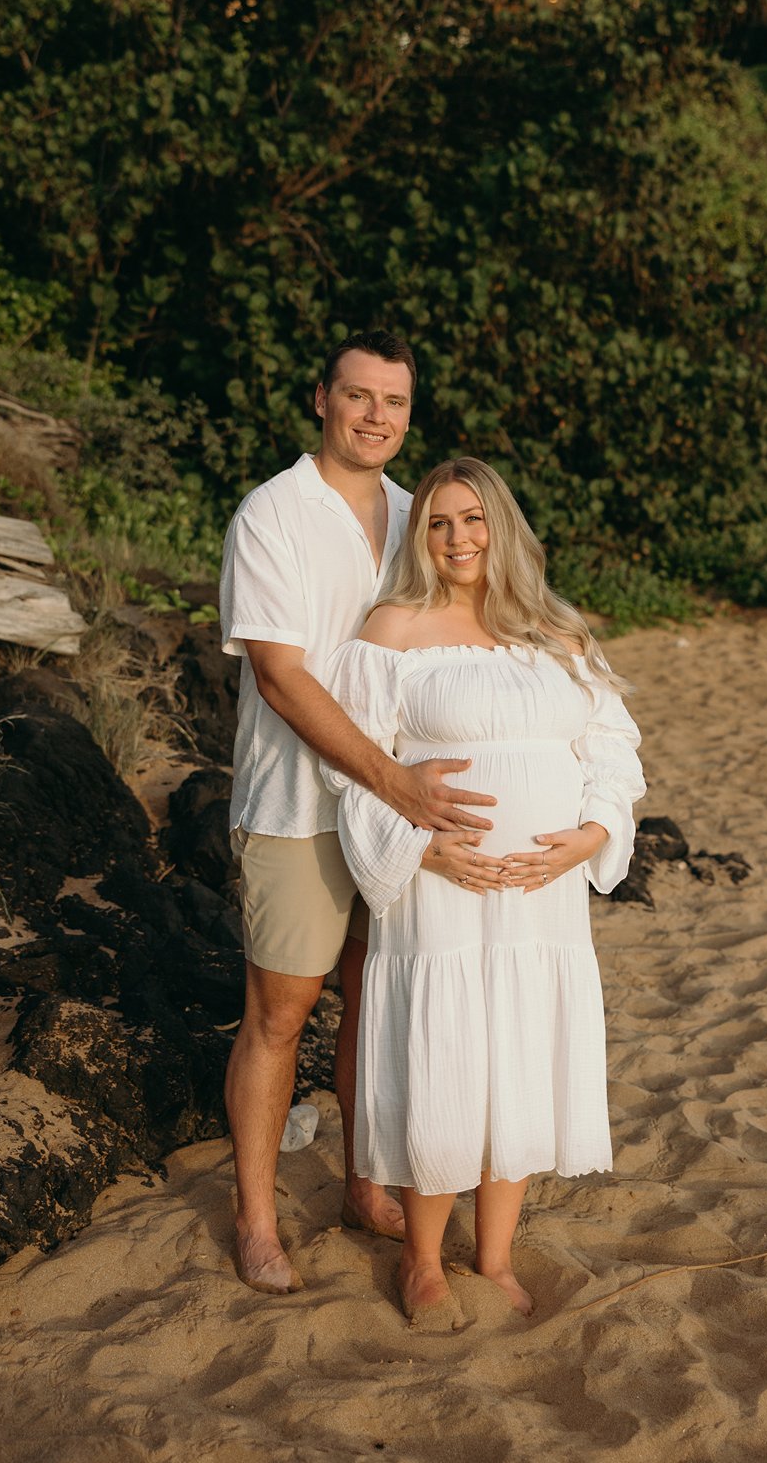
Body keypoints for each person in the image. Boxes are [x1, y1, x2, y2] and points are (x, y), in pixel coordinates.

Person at [321, 456, 645, 1328]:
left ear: (502, 527)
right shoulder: (393, 628)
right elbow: (356, 768)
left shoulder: (556, 632)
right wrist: (424, 850)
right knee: (448, 1057)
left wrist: (588, 836)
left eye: (472, 520)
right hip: (442, 891)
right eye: (438, 523)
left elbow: (612, 747)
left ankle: (493, 1256)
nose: (458, 539)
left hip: (543, 895)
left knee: (521, 1059)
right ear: (420, 537)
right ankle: (423, 1260)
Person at [218, 334, 499, 1295]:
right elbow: (280, 676)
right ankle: (257, 1221)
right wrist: (396, 784)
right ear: (321, 401)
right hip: (299, 805)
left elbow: (466, 641)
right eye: (359, 396)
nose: (377, 416)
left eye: (395, 401)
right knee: (281, 1014)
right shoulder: (273, 514)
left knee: (377, 1004)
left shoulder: (424, 517)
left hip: (397, 818)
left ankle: (361, 1185)